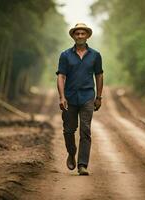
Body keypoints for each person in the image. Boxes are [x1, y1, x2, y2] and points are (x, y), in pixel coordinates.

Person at [56, 23, 104, 176]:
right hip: (69, 98)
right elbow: (61, 76)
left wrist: (99, 97)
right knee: (69, 130)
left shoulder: (95, 55)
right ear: (73, 36)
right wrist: (62, 97)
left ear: (87, 36)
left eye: (83, 33)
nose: (80, 36)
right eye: (77, 34)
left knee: (85, 131)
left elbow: (99, 75)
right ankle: (71, 152)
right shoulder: (65, 55)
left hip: (87, 97)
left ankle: (82, 164)